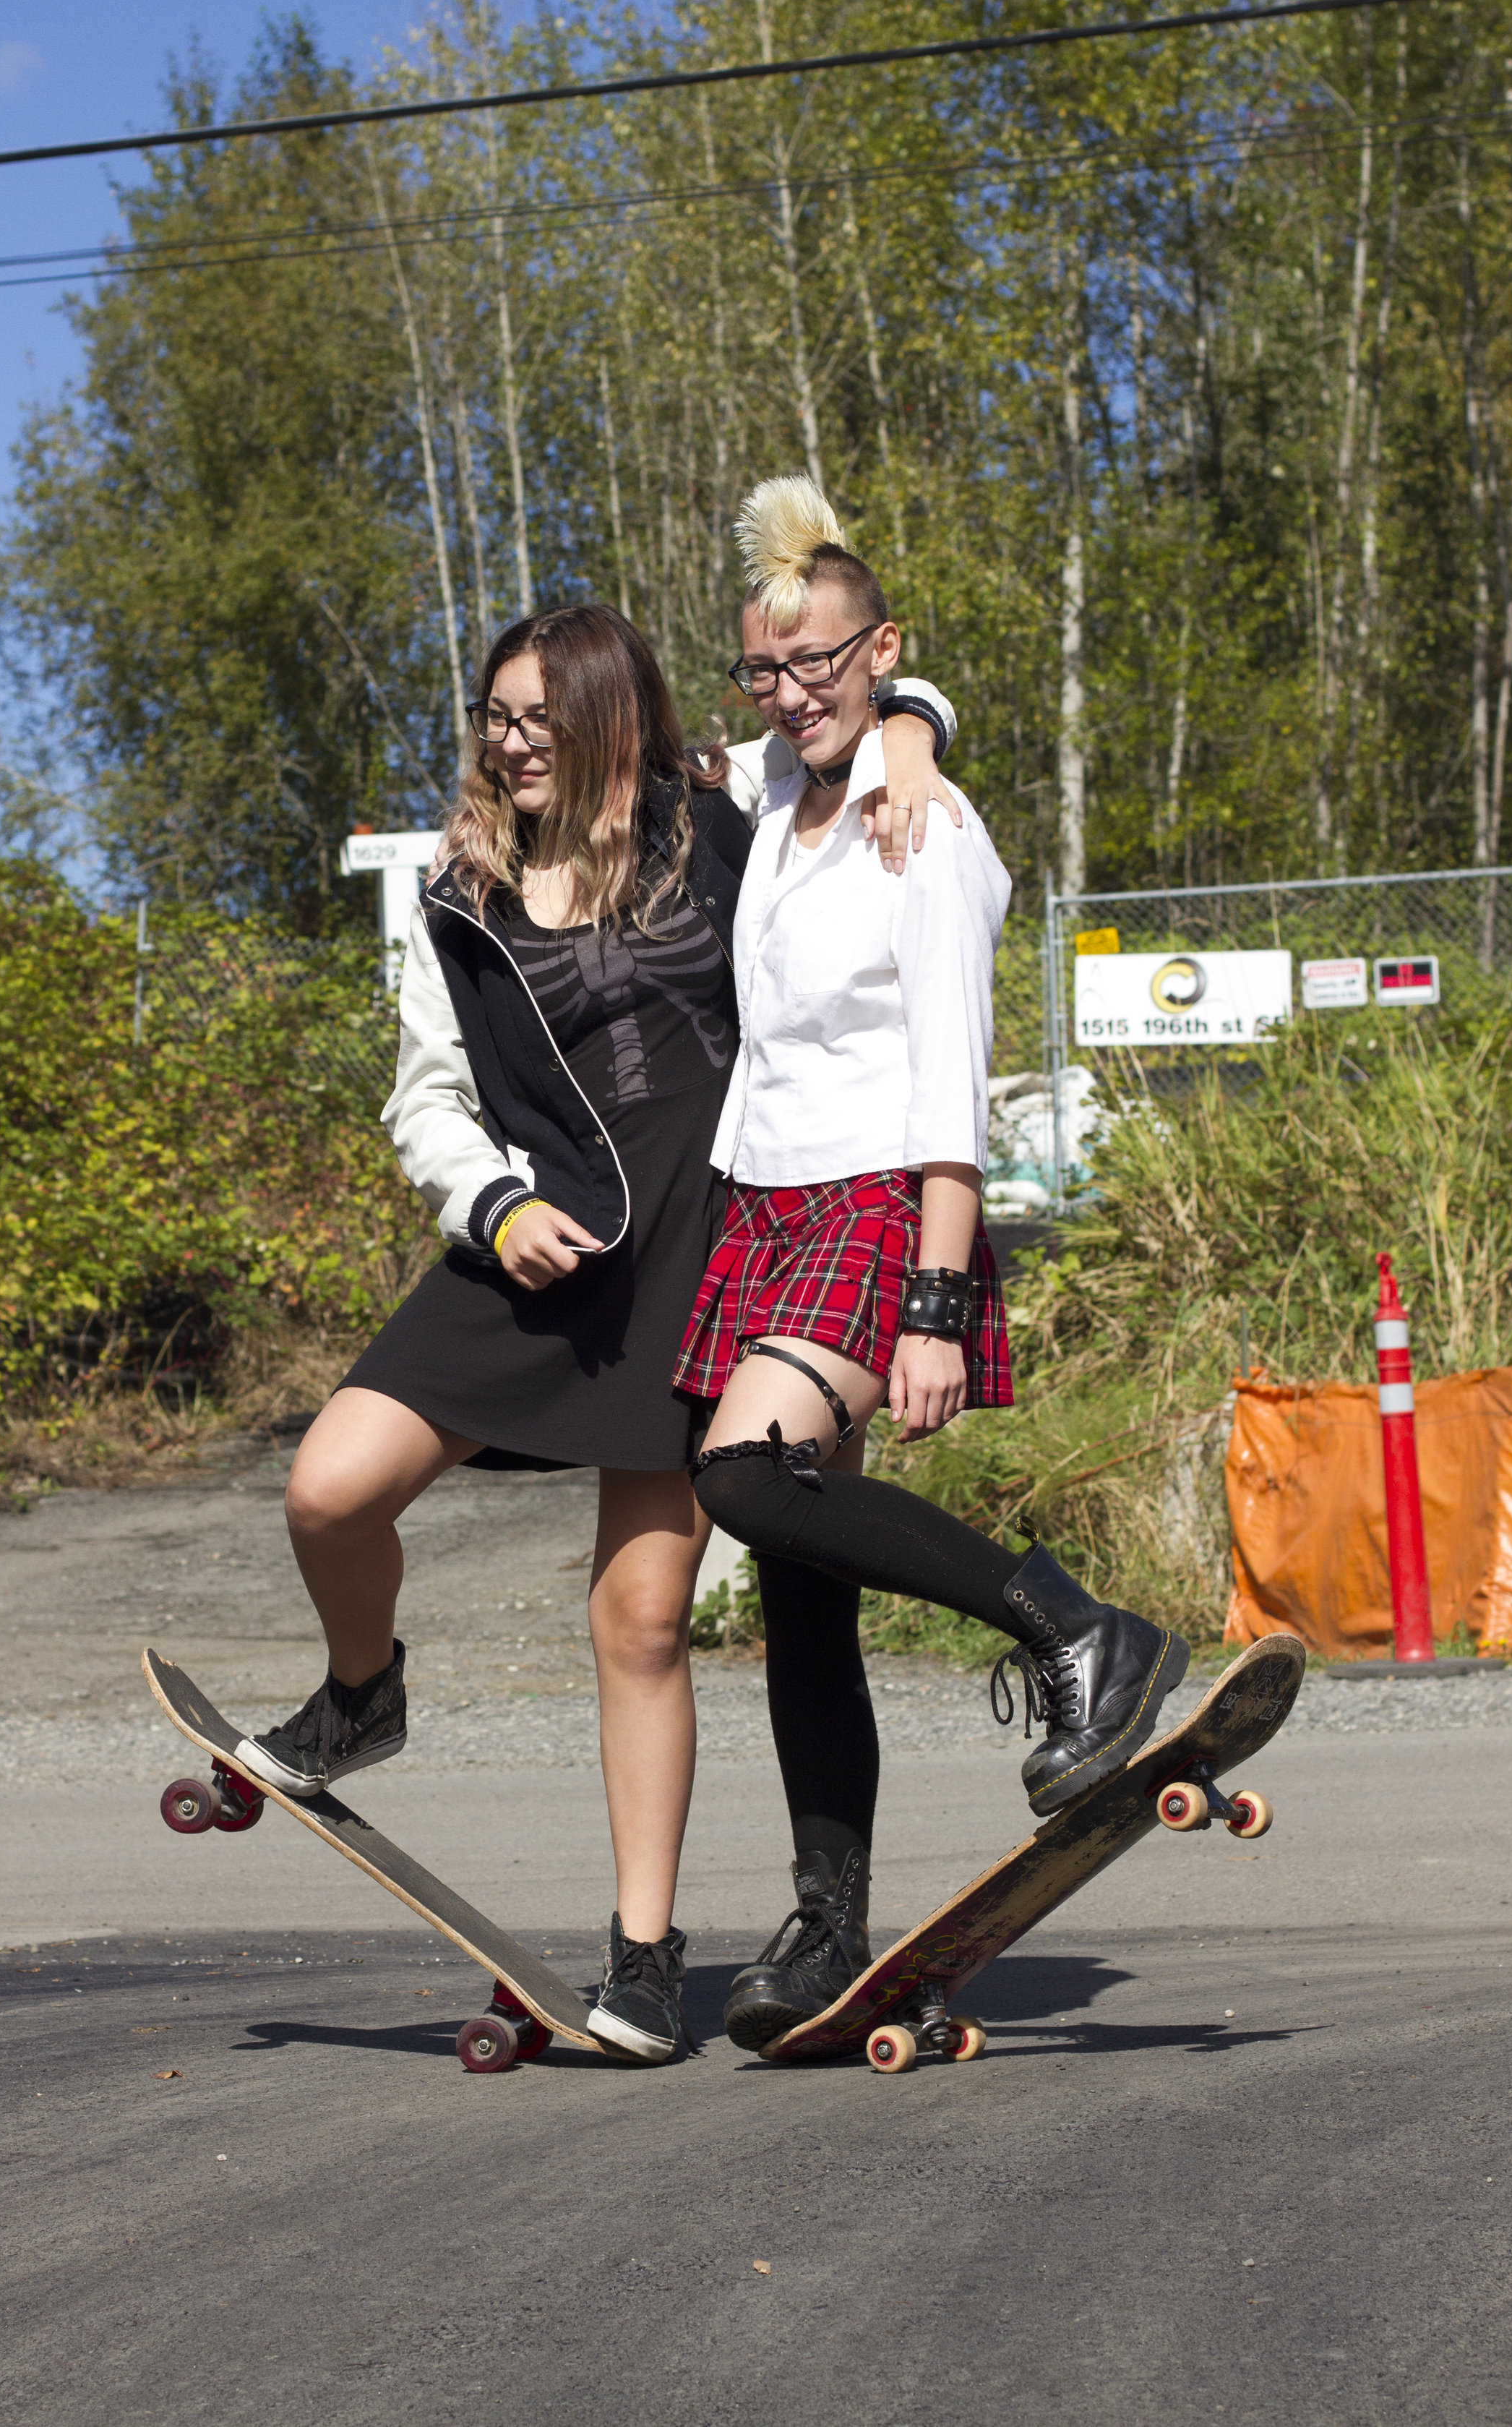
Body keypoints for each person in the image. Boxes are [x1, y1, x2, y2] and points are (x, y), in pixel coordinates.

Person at [231, 599, 959, 2062]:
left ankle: (640, 1957)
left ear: (610, 718)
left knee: (636, 1621)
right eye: (494, 719)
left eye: (537, 720)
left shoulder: (716, 819)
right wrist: (490, 1201)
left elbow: (857, 702)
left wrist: (911, 729)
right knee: (328, 1486)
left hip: (704, 1253)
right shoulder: (458, 896)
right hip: (537, 1243)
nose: (509, 746)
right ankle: (361, 1691)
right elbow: (425, 1100)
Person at [678, 479, 1189, 2053]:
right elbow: (760, 740)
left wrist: (935, 1301)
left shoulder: (928, 828)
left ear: (876, 648)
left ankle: (1076, 1626)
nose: (790, 695)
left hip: (875, 1202)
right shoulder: (782, 790)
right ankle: (826, 1915)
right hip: (756, 1200)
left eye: (821, 666)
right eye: (765, 671)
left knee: (744, 1478)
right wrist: (892, 718)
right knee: (800, 1584)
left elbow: (950, 1088)